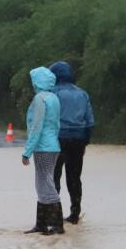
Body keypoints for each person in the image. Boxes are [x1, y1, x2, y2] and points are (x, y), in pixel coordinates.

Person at [49, 61, 95, 224]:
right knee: (74, 177)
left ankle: (55, 214)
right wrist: (85, 141)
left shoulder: (51, 93)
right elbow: (90, 121)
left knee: (54, 176)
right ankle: (75, 214)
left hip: (57, 140)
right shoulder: (82, 94)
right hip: (78, 140)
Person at [21, 66, 63, 235]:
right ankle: (42, 224)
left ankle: (56, 224)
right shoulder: (54, 98)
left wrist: (27, 151)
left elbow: (36, 127)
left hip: (43, 147)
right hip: (53, 146)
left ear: (38, 82)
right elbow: (56, 125)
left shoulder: (40, 99)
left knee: (45, 182)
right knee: (44, 182)